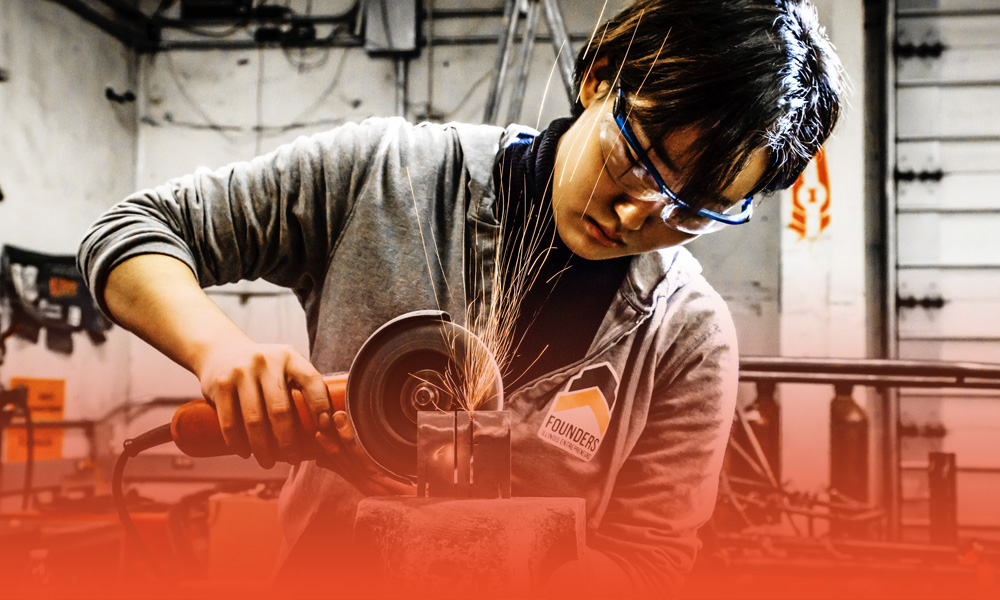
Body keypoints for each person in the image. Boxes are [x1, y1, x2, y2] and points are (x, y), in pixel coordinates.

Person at [78, 0, 843, 597]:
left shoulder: (686, 337)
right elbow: (132, 232)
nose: (643, 215)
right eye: (637, 158)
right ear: (600, 77)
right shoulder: (384, 179)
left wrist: (507, 566)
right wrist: (223, 353)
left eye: (697, 208)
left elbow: (651, 559)